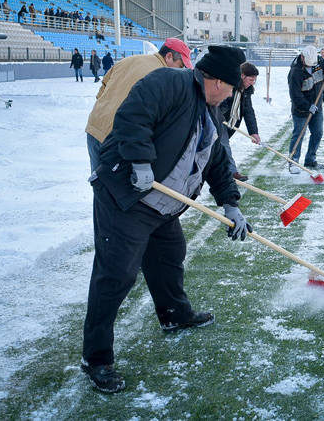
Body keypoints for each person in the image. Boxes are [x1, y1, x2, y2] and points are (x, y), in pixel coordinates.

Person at [81, 45, 248, 393]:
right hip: (126, 196)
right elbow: (132, 117)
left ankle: (174, 314)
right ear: (216, 81)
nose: (231, 95)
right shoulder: (168, 83)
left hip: (162, 203)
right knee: (117, 274)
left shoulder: (209, 109)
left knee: (170, 254)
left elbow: (214, 159)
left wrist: (230, 203)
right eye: (231, 88)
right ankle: (95, 358)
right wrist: (140, 161)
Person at [85, 37, 193, 172]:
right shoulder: (162, 76)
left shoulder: (129, 60)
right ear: (169, 56)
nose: (181, 70)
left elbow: (102, 90)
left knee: (98, 182)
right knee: (116, 188)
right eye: (181, 65)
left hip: (94, 128)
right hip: (117, 136)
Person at [288, 45, 324, 172]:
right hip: (301, 110)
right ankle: (293, 161)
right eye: (307, 64)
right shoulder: (295, 72)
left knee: (317, 133)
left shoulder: (319, 62)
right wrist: (308, 107)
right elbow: (295, 95)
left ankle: (310, 160)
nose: (309, 67)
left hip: (317, 107)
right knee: (299, 134)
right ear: (302, 57)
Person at [215, 62, 261, 181]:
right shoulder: (229, 85)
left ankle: (220, 171)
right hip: (218, 120)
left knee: (216, 149)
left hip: (230, 123)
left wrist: (253, 132)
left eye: (254, 80)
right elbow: (218, 103)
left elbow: (248, 111)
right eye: (250, 79)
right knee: (224, 146)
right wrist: (218, 116)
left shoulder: (246, 91)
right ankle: (232, 172)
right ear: (242, 76)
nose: (252, 83)